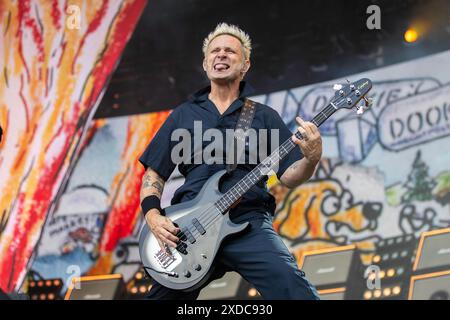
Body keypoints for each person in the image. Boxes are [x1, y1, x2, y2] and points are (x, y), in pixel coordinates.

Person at [139, 23, 322, 300]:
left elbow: (289, 175)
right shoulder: (183, 115)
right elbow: (154, 176)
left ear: (245, 65)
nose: (221, 55)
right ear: (205, 63)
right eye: (215, 51)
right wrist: (153, 216)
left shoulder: (264, 116)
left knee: (293, 288)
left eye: (229, 51)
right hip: (188, 230)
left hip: (247, 222)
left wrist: (312, 158)